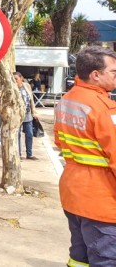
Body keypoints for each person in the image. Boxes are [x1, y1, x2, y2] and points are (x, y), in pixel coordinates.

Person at [54, 46, 116, 266]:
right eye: (113, 72)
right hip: (101, 199)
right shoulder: (104, 108)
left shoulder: (66, 101)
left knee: (79, 256)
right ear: (95, 75)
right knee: (106, 258)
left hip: (73, 193)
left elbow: (60, 142)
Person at [14, 72, 38, 160]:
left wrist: (34, 112)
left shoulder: (26, 86)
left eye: (16, 78)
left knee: (29, 134)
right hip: (17, 115)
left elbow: (31, 100)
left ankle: (29, 153)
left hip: (27, 114)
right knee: (18, 135)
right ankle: (19, 154)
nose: (15, 81)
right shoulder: (12, 88)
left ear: (21, 78)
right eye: (13, 79)